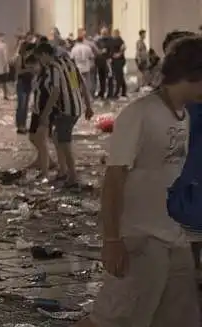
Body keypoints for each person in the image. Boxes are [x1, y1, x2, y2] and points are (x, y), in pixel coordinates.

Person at [75, 35, 202, 327]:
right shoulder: (140, 114)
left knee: (179, 319)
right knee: (113, 320)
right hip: (142, 239)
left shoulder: (183, 115)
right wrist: (112, 239)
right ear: (194, 75)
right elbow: (114, 181)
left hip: (175, 236)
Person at [30, 42, 93, 186]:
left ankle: (72, 176)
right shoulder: (68, 63)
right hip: (75, 107)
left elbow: (56, 91)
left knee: (64, 142)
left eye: (40, 58)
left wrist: (45, 113)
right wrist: (88, 105)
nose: (40, 62)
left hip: (66, 109)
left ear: (45, 55)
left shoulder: (53, 67)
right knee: (57, 137)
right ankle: (63, 171)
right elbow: (80, 83)